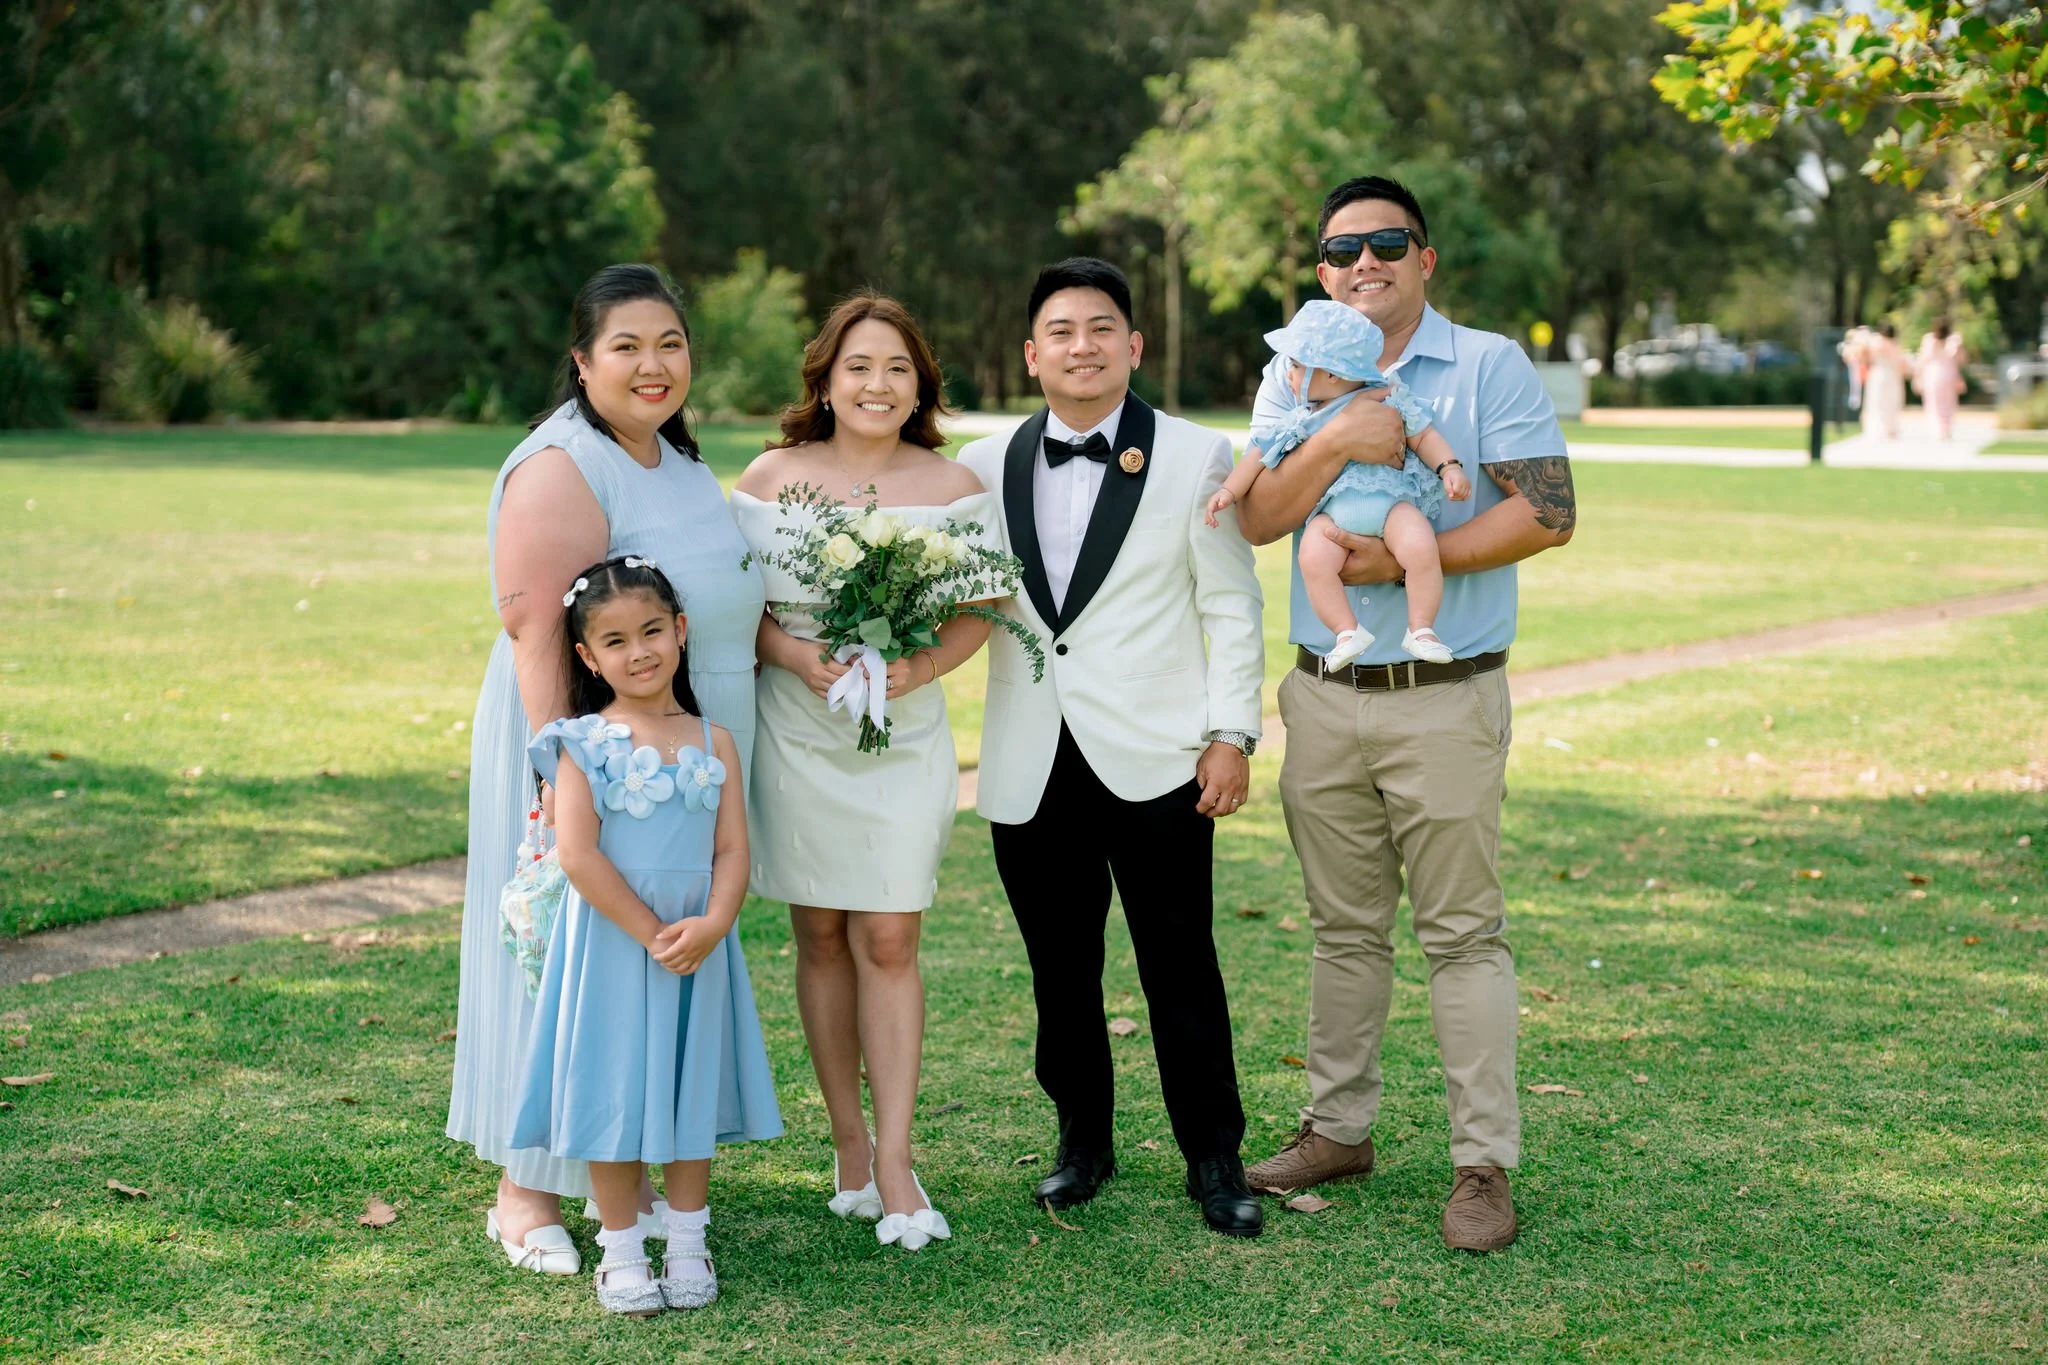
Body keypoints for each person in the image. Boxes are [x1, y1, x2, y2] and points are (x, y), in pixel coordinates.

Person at [1233, 176, 1577, 1253]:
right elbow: (1252, 518)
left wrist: (1390, 564)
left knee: (1461, 937)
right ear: (1322, 273)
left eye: (1386, 243)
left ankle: (1482, 1165)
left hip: (1445, 697)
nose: (1361, 262)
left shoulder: (1484, 365)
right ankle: (1338, 1130)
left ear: (1423, 259)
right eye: (1339, 251)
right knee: (1342, 933)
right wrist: (1336, 441)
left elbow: (1546, 511)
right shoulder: (1291, 368)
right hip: (1322, 699)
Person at [447, 264, 767, 1277]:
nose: (652, 364)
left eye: (669, 343)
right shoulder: (560, 464)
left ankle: (620, 1173)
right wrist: (557, 782)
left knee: (637, 967)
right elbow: (534, 626)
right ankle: (523, 1190)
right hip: (591, 764)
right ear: (582, 362)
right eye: (625, 347)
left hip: (678, 763)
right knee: (562, 954)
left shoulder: (673, 459)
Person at [957, 258, 1268, 1239]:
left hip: (1158, 756)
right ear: (1030, 353)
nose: (1079, 346)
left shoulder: (1192, 455)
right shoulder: (978, 462)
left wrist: (1229, 734)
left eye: (1100, 328)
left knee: (1179, 963)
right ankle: (1081, 1142)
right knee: (1059, 970)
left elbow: (1229, 602)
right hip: (1029, 752)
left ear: (1131, 346)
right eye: (1060, 330)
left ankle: (1213, 1159)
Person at [733, 294, 997, 1251]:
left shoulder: (952, 482)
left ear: (920, 382)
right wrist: (801, 659)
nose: (877, 384)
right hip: (797, 729)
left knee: (889, 932)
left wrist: (912, 669)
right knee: (820, 934)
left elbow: (983, 607)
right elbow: (734, 604)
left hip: (904, 736)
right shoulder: (771, 478)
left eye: (897, 368)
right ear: (826, 378)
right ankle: (846, 1144)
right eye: (858, 366)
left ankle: (895, 1157)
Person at [514, 555, 780, 1315]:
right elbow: (578, 854)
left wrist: (717, 919)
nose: (640, 652)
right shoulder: (581, 741)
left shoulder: (713, 738)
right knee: (612, 1087)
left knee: (687, 1084)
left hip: (698, 943)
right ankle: (623, 1250)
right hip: (613, 944)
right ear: (587, 656)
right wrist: (650, 930)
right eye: (617, 640)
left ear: (682, 630)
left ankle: (689, 1241)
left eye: (654, 631)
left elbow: (732, 847)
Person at [1206, 299, 1470, 667]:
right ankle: (1346, 631)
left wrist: (1450, 467)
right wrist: (1228, 491)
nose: (1288, 374)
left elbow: (1422, 436)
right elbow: (1257, 457)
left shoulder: (1386, 400)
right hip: (1333, 514)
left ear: (1332, 374)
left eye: (1298, 366)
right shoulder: (1304, 418)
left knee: (1421, 547)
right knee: (1313, 559)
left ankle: (1421, 628)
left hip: (1390, 503)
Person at [1915, 321, 1966, 440]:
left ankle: (1938, 429)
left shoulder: (1930, 340)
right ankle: (1945, 429)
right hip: (1948, 374)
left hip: (1933, 375)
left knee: (1934, 403)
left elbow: (1922, 359)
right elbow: (1962, 360)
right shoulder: (1954, 341)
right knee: (1948, 403)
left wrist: (1917, 375)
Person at [1861, 323, 1907, 440]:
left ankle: (1879, 430)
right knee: (1891, 402)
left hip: (1878, 374)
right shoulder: (1895, 344)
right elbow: (1900, 362)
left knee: (1877, 402)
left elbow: (1864, 356)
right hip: (1892, 375)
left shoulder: (1875, 342)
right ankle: (1890, 429)